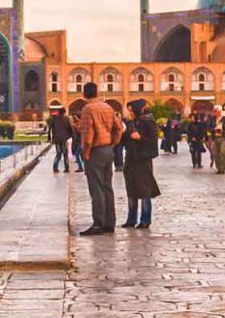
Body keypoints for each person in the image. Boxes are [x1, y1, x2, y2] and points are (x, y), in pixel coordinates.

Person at [79, 82, 123, 236]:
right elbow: (119, 128)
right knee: (107, 187)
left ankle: (98, 223)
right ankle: (109, 223)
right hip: (108, 150)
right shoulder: (107, 107)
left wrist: (86, 152)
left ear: (84, 94)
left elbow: (88, 134)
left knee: (96, 188)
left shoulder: (88, 109)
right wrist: (113, 143)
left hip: (95, 151)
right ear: (97, 92)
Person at [121, 100, 161, 229]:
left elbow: (153, 143)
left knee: (144, 191)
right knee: (131, 190)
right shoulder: (132, 123)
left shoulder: (148, 123)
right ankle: (131, 219)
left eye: (132, 110)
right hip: (130, 159)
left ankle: (145, 219)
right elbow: (126, 140)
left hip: (143, 161)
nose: (130, 113)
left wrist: (140, 138)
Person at [47, 108, 73, 173]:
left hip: (57, 139)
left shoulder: (54, 119)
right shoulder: (66, 119)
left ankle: (55, 168)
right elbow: (70, 128)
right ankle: (66, 169)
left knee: (58, 153)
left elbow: (49, 128)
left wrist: (49, 137)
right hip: (64, 139)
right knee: (65, 154)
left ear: (58, 112)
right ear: (64, 112)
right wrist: (71, 136)